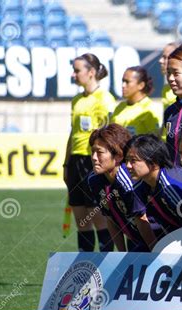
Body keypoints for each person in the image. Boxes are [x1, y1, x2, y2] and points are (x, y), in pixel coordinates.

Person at [63, 53, 116, 252]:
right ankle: (84, 265)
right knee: (81, 220)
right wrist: (66, 164)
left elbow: (109, 135)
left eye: (77, 70)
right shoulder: (76, 100)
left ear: (91, 72)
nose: (73, 74)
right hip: (76, 161)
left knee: (99, 218)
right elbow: (73, 132)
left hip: (92, 162)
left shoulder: (105, 99)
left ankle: (106, 264)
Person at [125, 134, 182, 237]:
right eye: (126, 160)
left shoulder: (171, 186)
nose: (128, 166)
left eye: (133, 160)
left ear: (153, 161)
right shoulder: (143, 186)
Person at [88, 124, 154, 251]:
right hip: (137, 241)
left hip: (158, 241)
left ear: (118, 156)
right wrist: (121, 255)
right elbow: (111, 219)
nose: (94, 158)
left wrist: (155, 254)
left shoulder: (128, 180)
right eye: (92, 152)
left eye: (100, 152)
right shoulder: (94, 180)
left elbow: (142, 220)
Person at [111, 66, 162, 137]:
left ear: (141, 85)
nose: (123, 85)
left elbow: (155, 141)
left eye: (127, 82)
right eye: (123, 81)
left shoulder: (150, 109)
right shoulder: (120, 107)